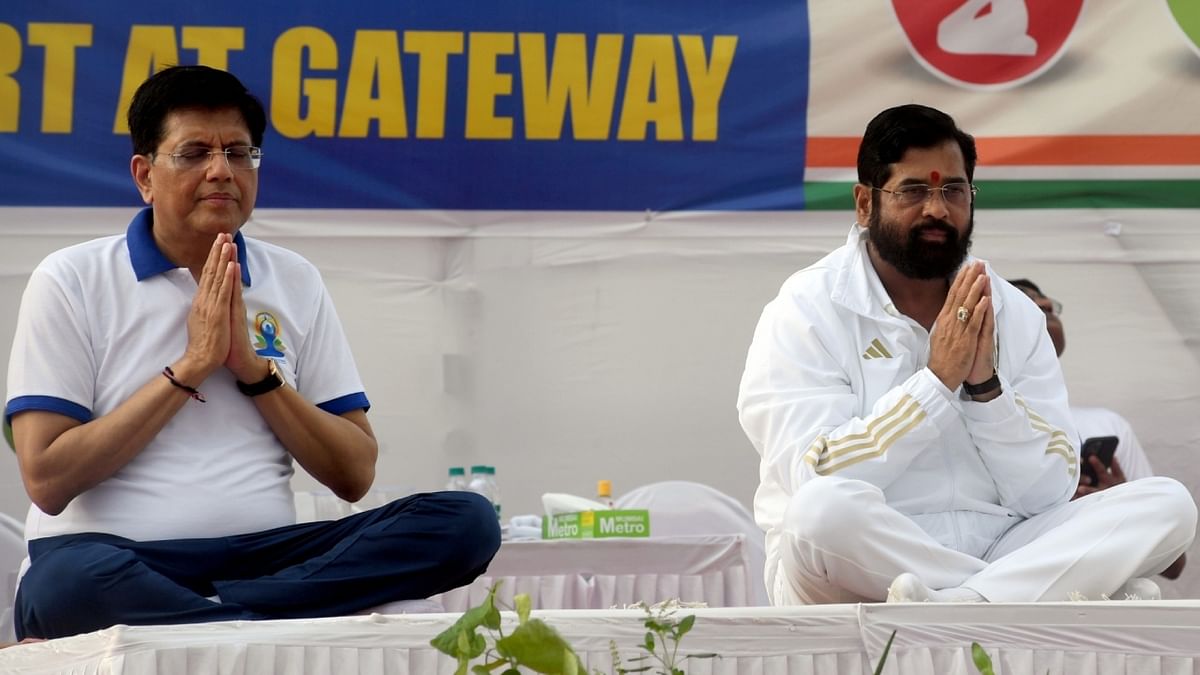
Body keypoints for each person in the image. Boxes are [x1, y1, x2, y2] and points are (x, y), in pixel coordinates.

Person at [3, 65, 500, 640]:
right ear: (144, 175)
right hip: (116, 556)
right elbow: (47, 477)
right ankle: (257, 622)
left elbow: (354, 473)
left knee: (464, 523)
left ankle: (220, 617)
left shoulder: (293, 278)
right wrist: (190, 367)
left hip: (271, 560)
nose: (221, 171)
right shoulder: (72, 278)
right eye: (193, 153)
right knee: (62, 586)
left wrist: (256, 374)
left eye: (240, 152)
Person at [737, 104, 1196, 605]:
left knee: (1169, 505)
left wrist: (986, 391)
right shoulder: (807, 309)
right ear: (865, 204)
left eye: (953, 191)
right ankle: (999, 600)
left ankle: (959, 606)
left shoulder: (1012, 312)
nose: (937, 209)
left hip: (1001, 546)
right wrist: (934, 385)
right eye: (914, 191)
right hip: (871, 551)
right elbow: (814, 473)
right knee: (818, 514)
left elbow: (1048, 493)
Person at [1008, 278, 1186, 578]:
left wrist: (1122, 505)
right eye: (1026, 299)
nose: (1046, 304)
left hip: (1098, 606)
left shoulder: (1108, 425)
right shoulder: (968, 421)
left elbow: (1174, 565)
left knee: (1174, 498)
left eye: (1047, 300)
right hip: (1010, 597)